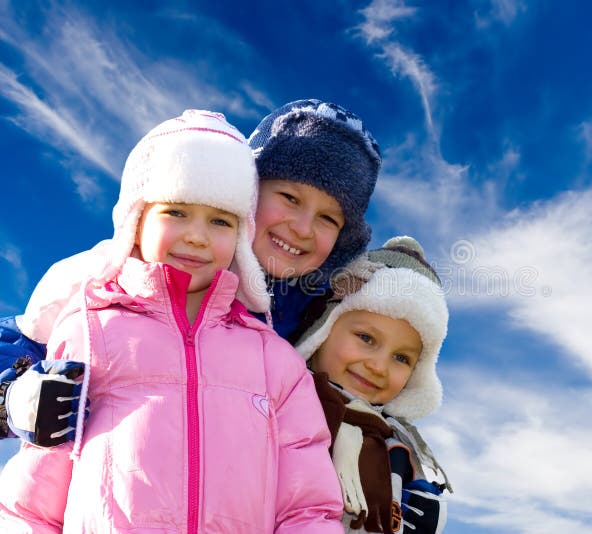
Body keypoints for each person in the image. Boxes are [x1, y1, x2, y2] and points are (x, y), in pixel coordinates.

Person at [0, 110, 343, 532]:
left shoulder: (277, 361)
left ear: (240, 235)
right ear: (137, 220)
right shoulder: (88, 331)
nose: (197, 235)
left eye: (220, 220)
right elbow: (29, 506)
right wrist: (10, 397)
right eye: (176, 212)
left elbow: (308, 508)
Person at [295, 236, 452, 534]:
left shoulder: (399, 447)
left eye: (402, 358)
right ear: (324, 327)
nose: (378, 367)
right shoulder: (283, 405)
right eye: (366, 338)